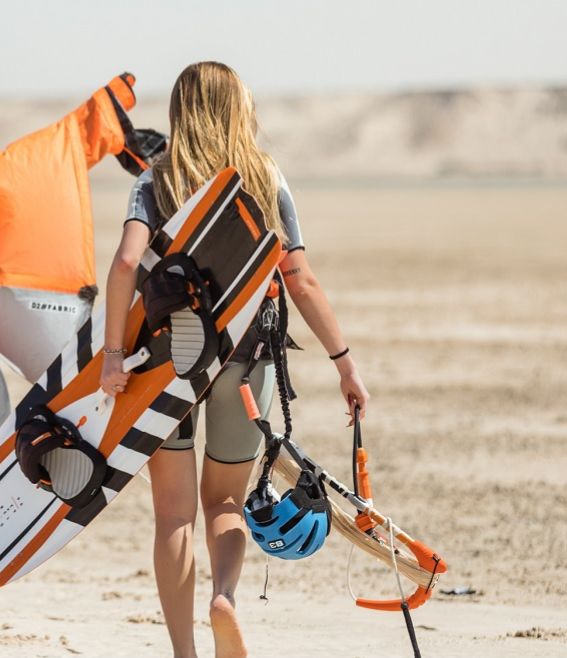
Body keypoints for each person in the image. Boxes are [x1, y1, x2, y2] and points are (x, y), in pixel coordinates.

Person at [99, 62, 371, 658]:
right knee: (224, 500)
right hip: (249, 362)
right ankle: (225, 596)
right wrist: (343, 362)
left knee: (173, 516)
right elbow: (299, 279)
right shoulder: (265, 177)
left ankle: (184, 653)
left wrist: (113, 356)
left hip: (170, 361)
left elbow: (124, 265)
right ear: (238, 109)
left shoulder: (155, 180)